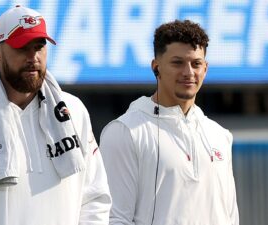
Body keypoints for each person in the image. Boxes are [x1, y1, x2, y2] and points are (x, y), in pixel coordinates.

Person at [0, 5, 111, 225]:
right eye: (22, 47)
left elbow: (95, 199)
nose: (33, 57)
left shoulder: (73, 112)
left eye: (39, 47)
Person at [99, 20, 239, 225]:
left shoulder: (220, 136)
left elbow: (231, 217)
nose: (188, 72)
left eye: (196, 64)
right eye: (177, 62)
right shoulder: (124, 131)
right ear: (156, 67)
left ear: (206, 69)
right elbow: (114, 218)